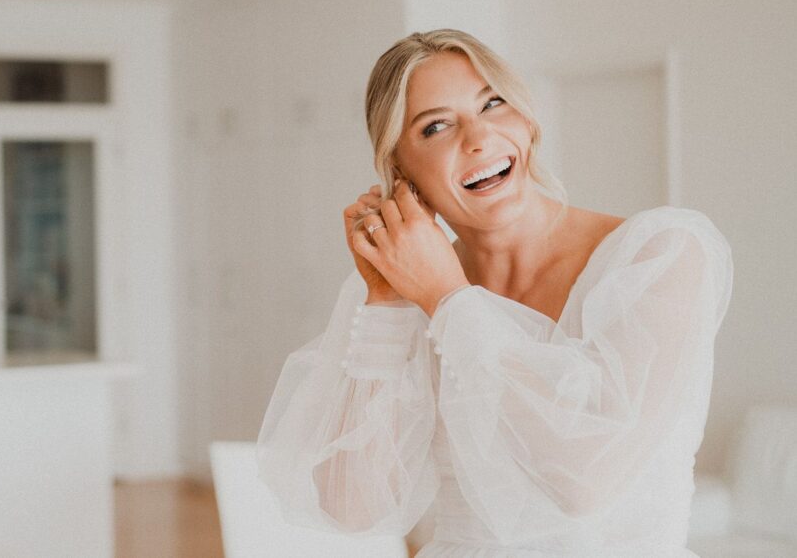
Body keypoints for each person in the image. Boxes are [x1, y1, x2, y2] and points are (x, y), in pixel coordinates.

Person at [255, 29, 733, 557]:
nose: (478, 138)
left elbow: (583, 480)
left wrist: (448, 301)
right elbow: (352, 507)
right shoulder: (415, 289)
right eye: (436, 126)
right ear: (400, 171)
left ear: (526, 120)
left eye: (493, 103)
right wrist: (388, 303)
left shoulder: (659, 255)